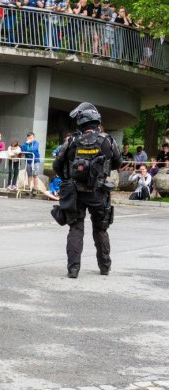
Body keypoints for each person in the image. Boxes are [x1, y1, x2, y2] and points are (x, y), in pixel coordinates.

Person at [52, 102, 121, 278]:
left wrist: (68, 179)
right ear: (97, 122)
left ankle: (73, 270)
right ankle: (104, 266)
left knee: (76, 228)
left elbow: (57, 164)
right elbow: (117, 163)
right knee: (100, 229)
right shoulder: (107, 140)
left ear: (81, 123)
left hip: (76, 192)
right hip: (99, 191)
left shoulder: (72, 141)